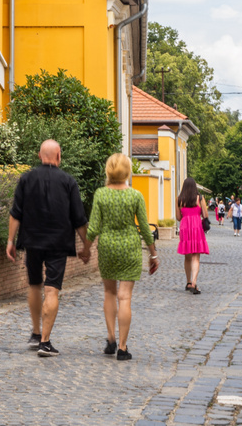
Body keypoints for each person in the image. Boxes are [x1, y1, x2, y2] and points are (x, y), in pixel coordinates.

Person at [7, 139, 91, 358]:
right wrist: (86, 246)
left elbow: (16, 212)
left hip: (32, 241)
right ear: (59, 156)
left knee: (34, 285)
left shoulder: (26, 178)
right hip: (58, 243)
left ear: (39, 155)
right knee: (52, 289)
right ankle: (45, 342)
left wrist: (10, 241)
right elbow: (79, 219)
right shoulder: (68, 181)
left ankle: (36, 333)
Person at [86, 153, 157, 361]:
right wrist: (153, 254)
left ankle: (110, 339)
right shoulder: (135, 195)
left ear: (108, 170)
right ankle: (123, 348)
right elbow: (144, 227)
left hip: (108, 247)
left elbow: (94, 227)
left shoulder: (100, 194)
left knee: (109, 293)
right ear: (128, 171)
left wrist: (86, 248)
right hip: (129, 248)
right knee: (125, 297)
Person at [176, 177, 209, 294]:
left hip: (185, 227)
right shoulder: (199, 198)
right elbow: (205, 214)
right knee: (196, 256)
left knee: (187, 256)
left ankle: (189, 281)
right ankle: (194, 283)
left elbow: (178, 218)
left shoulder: (179, 199)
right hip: (196, 227)